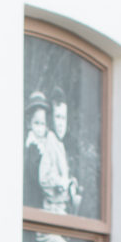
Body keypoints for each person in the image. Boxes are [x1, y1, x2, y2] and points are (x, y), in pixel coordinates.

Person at [39, 86, 82, 215]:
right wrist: (61, 183)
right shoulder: (50, 141)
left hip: (62, 208)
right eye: (57, 117)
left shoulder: (59, 144)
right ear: (50, 119)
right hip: (52, 210)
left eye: (63, 118)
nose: (61, 123)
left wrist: (70, 182)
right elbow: (44, 178)